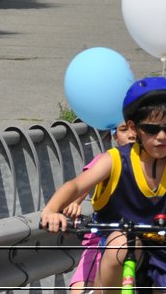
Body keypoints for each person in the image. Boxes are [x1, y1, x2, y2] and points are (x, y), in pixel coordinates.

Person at [41, 78, 166, 293]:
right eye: (151, 129)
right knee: (121, 244)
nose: (162, 136)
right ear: (133, 128)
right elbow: (75, 186)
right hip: (128, 246)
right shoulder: (114, 160)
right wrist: (51, 210)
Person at [63, 125, 137, 294]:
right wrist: (74, 203)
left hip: (138, 236)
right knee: (79, 289)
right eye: (124, 130)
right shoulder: (106, 159)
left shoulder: (153, 164)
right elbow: (82, 185)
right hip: (101, 237)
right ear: (115, 137)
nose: (131, 135)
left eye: (136, 128)